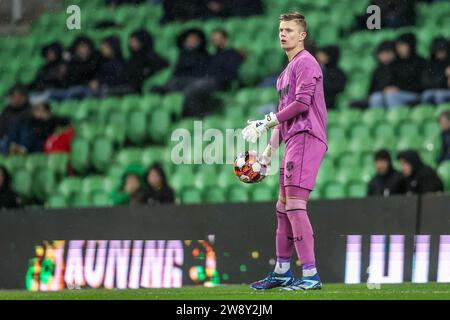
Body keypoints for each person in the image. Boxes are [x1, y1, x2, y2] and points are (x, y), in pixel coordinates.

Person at [242, 12, 327, 291]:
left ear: (302, 35)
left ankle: (311, 276)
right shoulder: (283, 74)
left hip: (307, 136)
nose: (283, 34)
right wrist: (267, 153)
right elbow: (284, 117)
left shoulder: (306, 63)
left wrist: (266, 122)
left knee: (294, 206)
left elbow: (302, 105)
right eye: (280, 29)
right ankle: (282, 271)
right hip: (293, 139)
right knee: (282, 209)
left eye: (289, 30)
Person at [182, 28, 243, 116]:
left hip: (219, 82)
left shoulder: (231, 53)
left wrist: (220, 79)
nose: (216, 41)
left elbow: (231, 73)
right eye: (214, 39)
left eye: (218, 39)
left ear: (225, 39)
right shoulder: (212, 55)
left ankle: (198, 116)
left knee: (190, 90)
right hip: (208, 80)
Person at [370, 33, 425, 108]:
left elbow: (421, 84)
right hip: (396, 93)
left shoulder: (420, 62)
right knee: (376, 98)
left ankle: (396, 118)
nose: (400, 48)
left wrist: (399, 89)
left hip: (415, 94)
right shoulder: (395, 64)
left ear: (410, 45)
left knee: (391, 96)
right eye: (398, 45)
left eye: (403, 45)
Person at [123, 29, 169, 93]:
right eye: (131, 41)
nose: (132, 44)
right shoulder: (131, 59)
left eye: (135, 41)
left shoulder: (151, 57)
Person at [0, 84, 30, 154]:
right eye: (12, 97)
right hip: (6, 140)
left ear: (24, 97)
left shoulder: (29, 110)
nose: (15, 99)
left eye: (17, 96)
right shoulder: (6, 111)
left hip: (22, 141)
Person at [421, 37, 450, 105]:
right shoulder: (430, 64)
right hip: (433, 89)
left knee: (440, 95)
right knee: (426, 95)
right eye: (439, 50)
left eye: (443, 50)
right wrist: (444, 74)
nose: (441, 53)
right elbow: (426, 83)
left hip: (444, 92)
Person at [367, 41, 396, 108]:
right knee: (376, 97)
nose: (384, 56)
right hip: (380, 95)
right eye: (382, 53)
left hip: (397, 94)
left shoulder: (400, 67)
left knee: (391, 96)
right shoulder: (377, 71)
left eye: (387, 52)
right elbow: (371, 90)